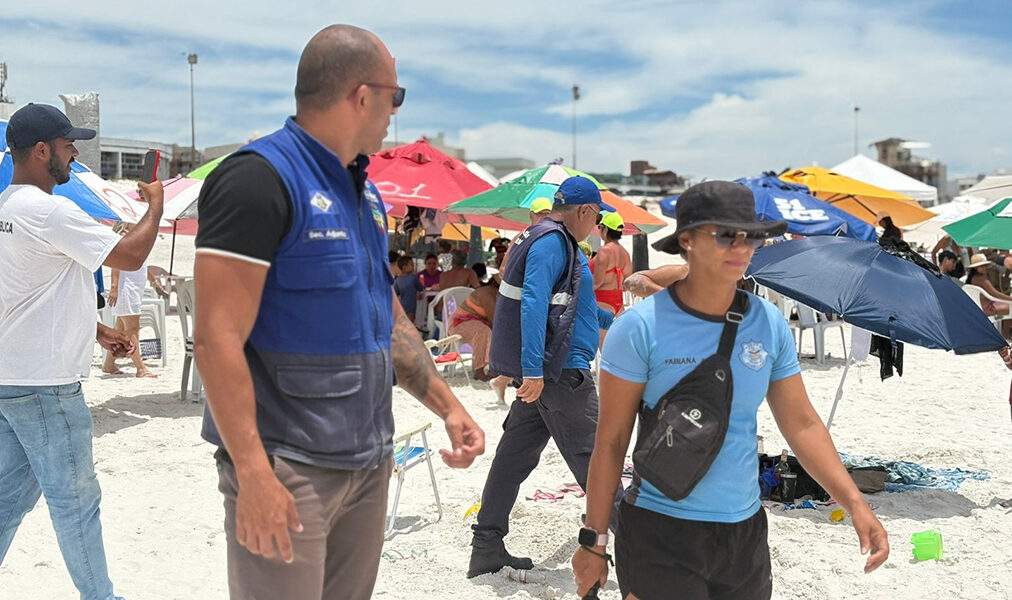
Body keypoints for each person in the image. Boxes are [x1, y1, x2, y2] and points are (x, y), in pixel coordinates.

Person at [192, 25, 484, 600]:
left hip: (368, 461)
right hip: (287, 466)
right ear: (363, 96)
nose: (395, 113)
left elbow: (388, 319)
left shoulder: (364, 193)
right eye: (396, 97)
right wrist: (253, 472)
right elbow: (216, 337)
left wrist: (448, 406)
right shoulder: (257, 178)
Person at [572, 181, 889, 600]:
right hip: (660, 529)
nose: (742, 247)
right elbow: (611, 442)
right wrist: (594, 540)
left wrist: (855, 503)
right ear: (687, 241)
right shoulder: (639, 328)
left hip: (744, 533)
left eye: (752, 236)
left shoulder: (768, 323)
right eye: (726, 235)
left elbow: (802, 424)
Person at [0, 102, 164, 600]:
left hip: (10, 379)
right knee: (76, 502)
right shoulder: (49, 210)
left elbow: (23, 293)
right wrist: (153, 207)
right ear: (42, 150)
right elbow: (131, 255)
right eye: (68, 145)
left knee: (9, 499)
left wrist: (94, 330)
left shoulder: (5, 207)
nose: (74, 153)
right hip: (46, 385)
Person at [469, 176, 617, 578]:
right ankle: (647, 561)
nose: (598, 225)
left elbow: (579, 307)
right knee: (598, 463)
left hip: (548, 372)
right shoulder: (553, 242)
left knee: (513, 457)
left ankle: (486, 547)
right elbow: (533, 301)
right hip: (559, 372)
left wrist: (620, 320)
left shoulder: (553, 240)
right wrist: (532, 369)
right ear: (585, 211)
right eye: (597, 217)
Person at [102, 222, 159, 378]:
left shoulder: (138, 237)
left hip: (134, 288)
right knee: (132, 328)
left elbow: (141, 262)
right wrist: (114, 287)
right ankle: (141, 368)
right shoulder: (123, 236)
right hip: (126, 288)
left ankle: (108, 365)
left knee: (121, 329)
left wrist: (153, 280)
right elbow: (116, 263)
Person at [447, 273, 499, 383]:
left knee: (489, 330)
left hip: (478, 322)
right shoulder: (487, 293)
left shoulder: (496, 294)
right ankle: (479, 370)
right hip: (459, 323)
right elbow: (495, 321)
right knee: (483, 330)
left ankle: (494, 368)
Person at [591, 211, 632, 315]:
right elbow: (626, 285)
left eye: (600, 227)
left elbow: (597, 283)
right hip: (619, 302)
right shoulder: (625, 253)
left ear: (606, 229)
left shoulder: (604, 251)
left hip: (601, 300)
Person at [966, 253, 1012, 339]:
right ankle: (1005, 337)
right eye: (982, 266)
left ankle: (1005, 336)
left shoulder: (972, 277)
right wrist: (1010, 299)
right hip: (986, 309)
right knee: (1011, 307)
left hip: (979, 308)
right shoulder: (981, 279)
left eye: (985, 265)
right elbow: (995, 294)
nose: (985, 268)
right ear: (976, 268)